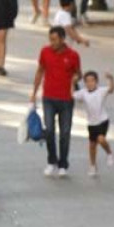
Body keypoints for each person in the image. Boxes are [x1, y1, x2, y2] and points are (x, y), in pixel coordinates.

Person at [29, 26, 82, 178]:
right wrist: (34, 93)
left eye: (54, 40)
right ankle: (52, 160)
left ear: (62, 39)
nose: (51, 43)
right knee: (50, 131)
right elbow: (40, 71)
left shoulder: (73, 55)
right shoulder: (45, 52)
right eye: (50, 39)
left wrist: (75, 79)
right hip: (49, 99)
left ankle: (63, 164)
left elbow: (79, 74)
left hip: (66, 100)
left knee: (65, 133)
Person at [73, 71, 114, 177]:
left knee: (101, 139)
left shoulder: (101, 91)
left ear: (96, 82)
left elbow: (111, 89)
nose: (90, 83)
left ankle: (109, 153)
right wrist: (71, 83)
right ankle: (92, 166)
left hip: (103, 120)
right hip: (91, 123)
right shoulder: (83, 92)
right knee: (92, 146)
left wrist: (111, 79)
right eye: (87, 81)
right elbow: (72, 95)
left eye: (92, 81)